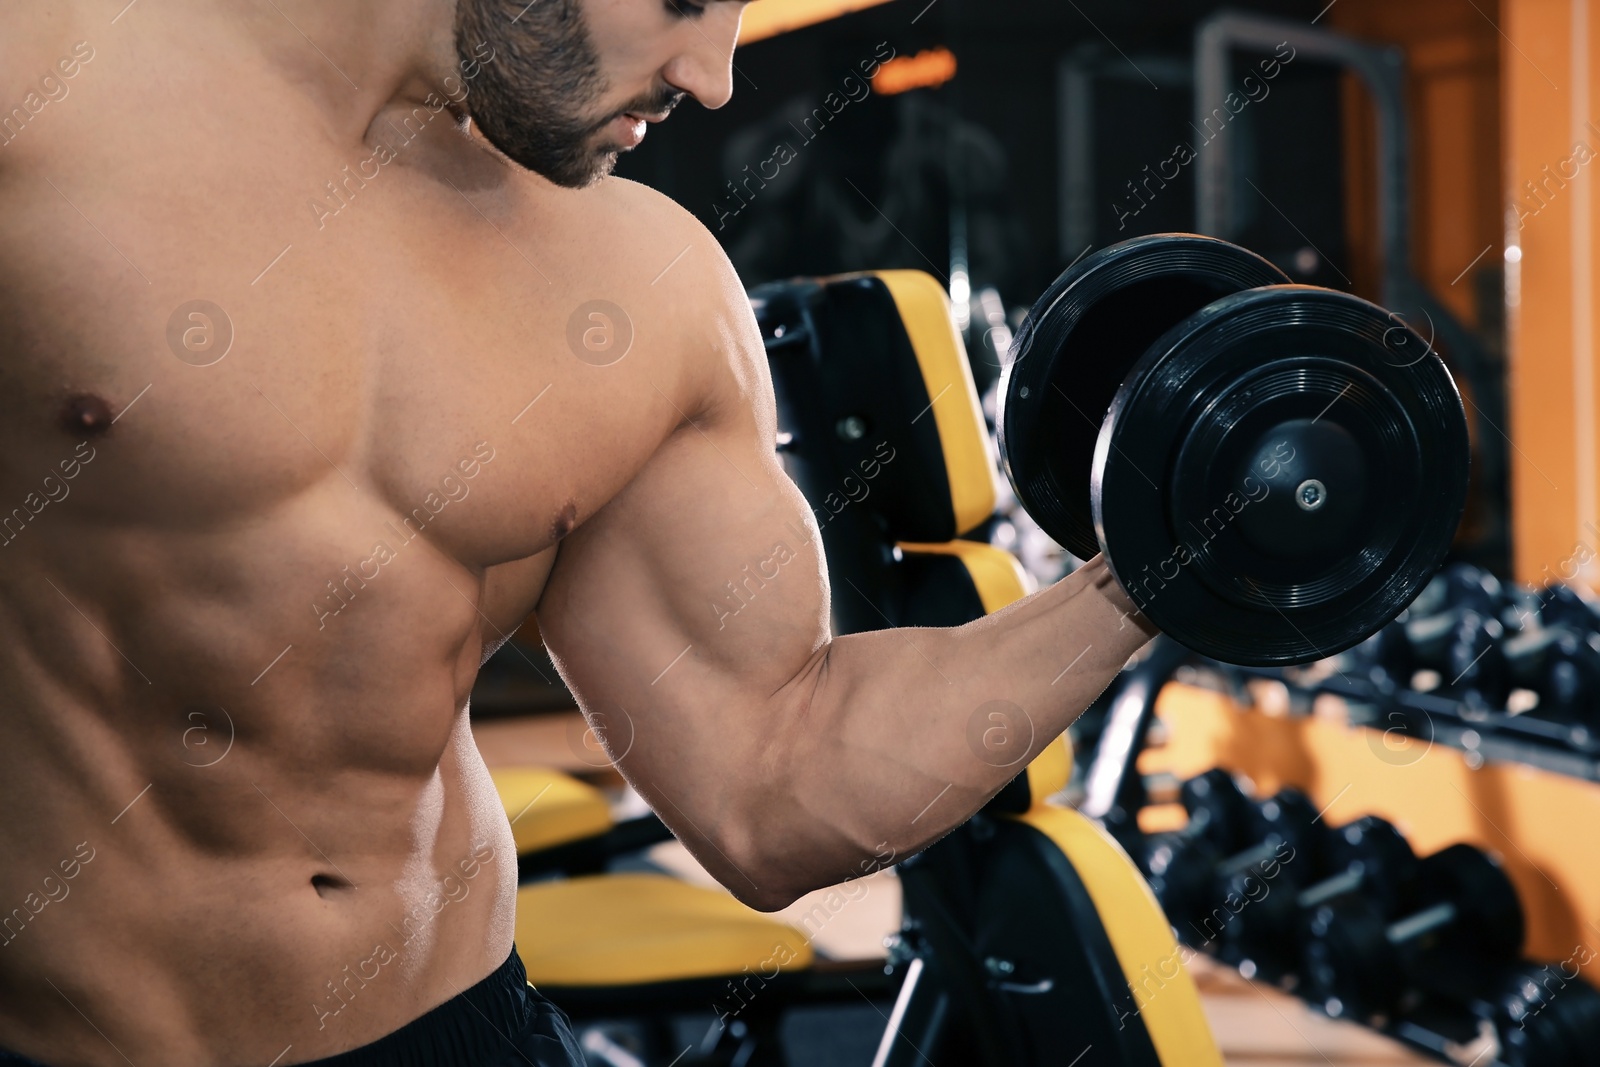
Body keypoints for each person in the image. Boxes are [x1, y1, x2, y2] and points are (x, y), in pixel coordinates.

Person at [0, 1, 1154, 1063]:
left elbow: (771, 783)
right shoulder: (43, 92)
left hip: (459, 1026)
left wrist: (1148, 571)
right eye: (686, 0)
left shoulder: (636, 281)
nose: (710, 79)